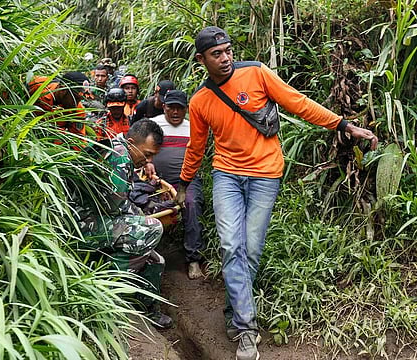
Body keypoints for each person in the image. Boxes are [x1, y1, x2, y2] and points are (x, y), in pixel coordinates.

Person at [175, 26, 379, 360]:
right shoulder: (200, 101)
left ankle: (232, 310)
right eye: (216, 54)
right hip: (226, 176)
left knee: (250, 251)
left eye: (228, 50)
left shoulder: (255, 73)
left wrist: (343, 124)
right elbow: (197, 147)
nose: (225, 58)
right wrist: (184, 183)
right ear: (201, 59)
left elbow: (299, 103)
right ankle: (246, 329)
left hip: (265, 174)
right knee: (231, 246)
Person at [75, 118, 173, 328]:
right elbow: (115, 206)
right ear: (131, 142)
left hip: (99, 219)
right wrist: (141, 217)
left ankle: (148, 309)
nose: (147, 161)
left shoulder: (118, 148)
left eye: (152, 157)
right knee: (152, 228)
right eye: (146, 155)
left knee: (157, 260)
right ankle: (108, 287)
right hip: (83, 225)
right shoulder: (119, 157)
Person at [149, 90, 205, 279]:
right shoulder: (153, 124)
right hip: (157, 182)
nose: (174, 112)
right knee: (145, 208)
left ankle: (193, 259)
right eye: (170, 107)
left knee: (192, 205)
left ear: (185, 109)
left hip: (187, 181)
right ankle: (148, 256)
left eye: (179, 108)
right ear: (163, 106)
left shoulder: (192, 127)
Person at [27, 71, 91, 150]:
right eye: (75, 98)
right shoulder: (38, 85)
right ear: (63, 89)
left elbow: (78, 139)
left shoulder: (77, 110)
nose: (76, 104)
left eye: (80, 100)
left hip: (50, 145)